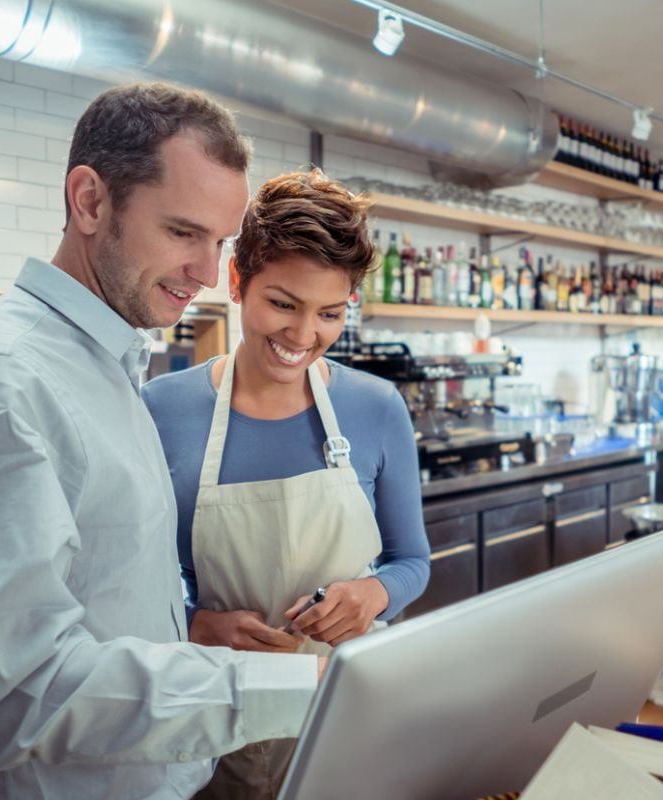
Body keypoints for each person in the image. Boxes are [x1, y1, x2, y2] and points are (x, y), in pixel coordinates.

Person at [0, 83, 322, 800]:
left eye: (220, 241)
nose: (208, 273)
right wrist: (295, 683)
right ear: (90, 201)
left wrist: (187, 630)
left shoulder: (104, 367)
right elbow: (9, 696)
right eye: (182, 232)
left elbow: (100, 594)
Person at [142, 170, 431, 798]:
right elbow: (131, 586)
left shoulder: (377, 407)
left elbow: (412, 562)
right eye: (282, 304)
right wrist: (193, 624)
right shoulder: (161, 411)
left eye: (329, 313)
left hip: (347, 709)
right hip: (218, 714)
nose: (304, 337)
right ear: (238, 282)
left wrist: (372, 596)